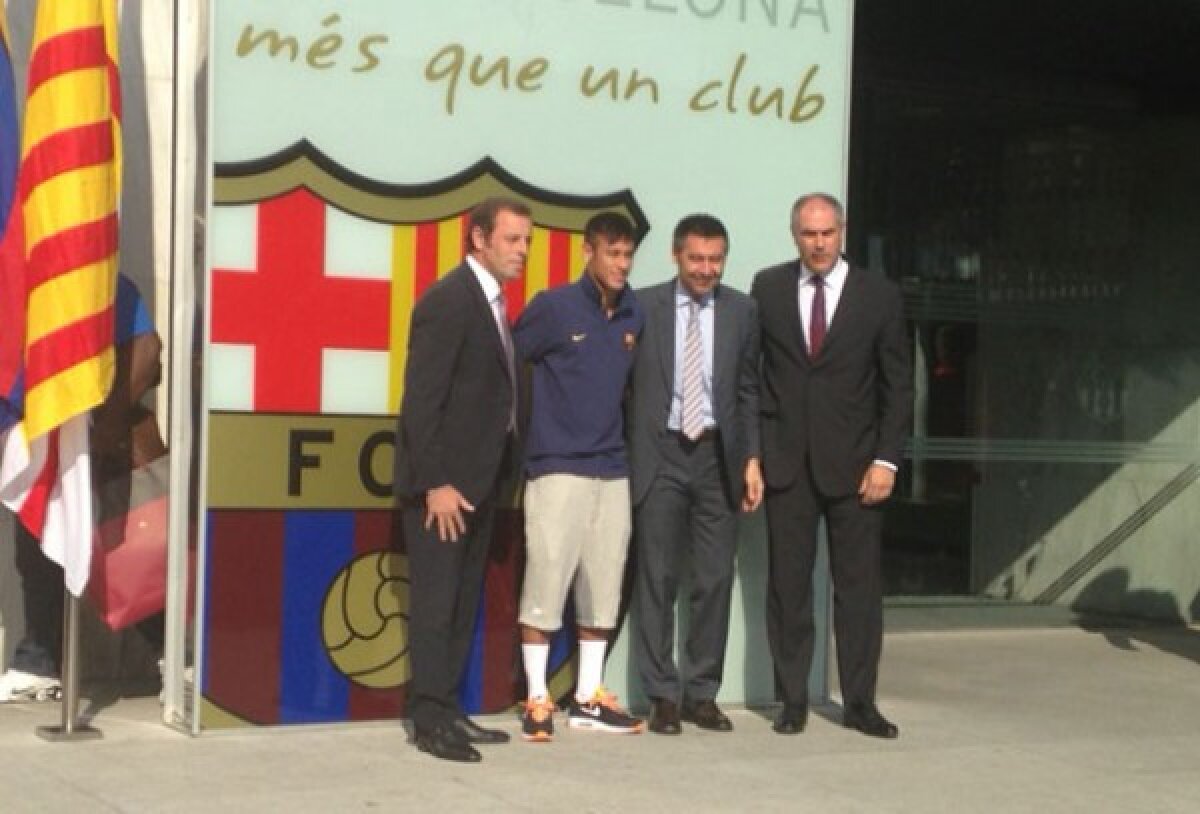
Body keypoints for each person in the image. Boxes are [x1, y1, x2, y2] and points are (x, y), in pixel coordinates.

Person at [751, 193, 912, 739]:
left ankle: (860, 703)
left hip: (858, 467)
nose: (818, 244)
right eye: (807, 234)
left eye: (827, 233)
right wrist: (755, 452)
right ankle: (792, 699)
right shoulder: (768, 288)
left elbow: (898, 385)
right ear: (793, 234)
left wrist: (887, 459)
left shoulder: (880, 296)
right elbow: (755, 376)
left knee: (859, 592)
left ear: (842, 231)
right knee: (788, 589)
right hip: (787, 465)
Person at [394, 197, 531, 763]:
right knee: (435, 603)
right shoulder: (448, 302)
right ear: (479, 239)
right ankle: (428, 719)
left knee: (460, 604)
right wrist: (435, 483)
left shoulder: (492, 304)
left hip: (479, 485)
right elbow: (421, 403)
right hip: (444, 490)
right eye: (512, 240)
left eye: (525, 241)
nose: (523, 251)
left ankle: (449, 708)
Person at [0, 272, 165, 702]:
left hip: (107, 441)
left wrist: (105, 428)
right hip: (39, 439)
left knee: (135, 547)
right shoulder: (17, 273)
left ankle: (177, 654)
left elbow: (147, 349)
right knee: (36, 551)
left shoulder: (94, 271)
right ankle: (38, 661)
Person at [627, 214, 762, 735]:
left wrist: (751, 458)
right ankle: (661, 694)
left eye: (715, 259)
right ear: (676, 256)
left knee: (713, 577)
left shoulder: (742, 311)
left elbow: (749, 388)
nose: (707, 269)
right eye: (697, 259)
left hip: (716, 458)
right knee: (657, 576)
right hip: (660, 454)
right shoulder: (643, 306)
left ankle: (701, 693)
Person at [512, 211, 645, 742]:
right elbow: (508, 367)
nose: (621, 264)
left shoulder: (635, 314)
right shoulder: (552, 307)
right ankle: (538, 697)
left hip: (613, 470)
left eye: (628, 254)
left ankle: (588, 696)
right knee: (545, 581)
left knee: (604, 586)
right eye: (612, 253)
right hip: (556, 467)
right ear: (588, 251)